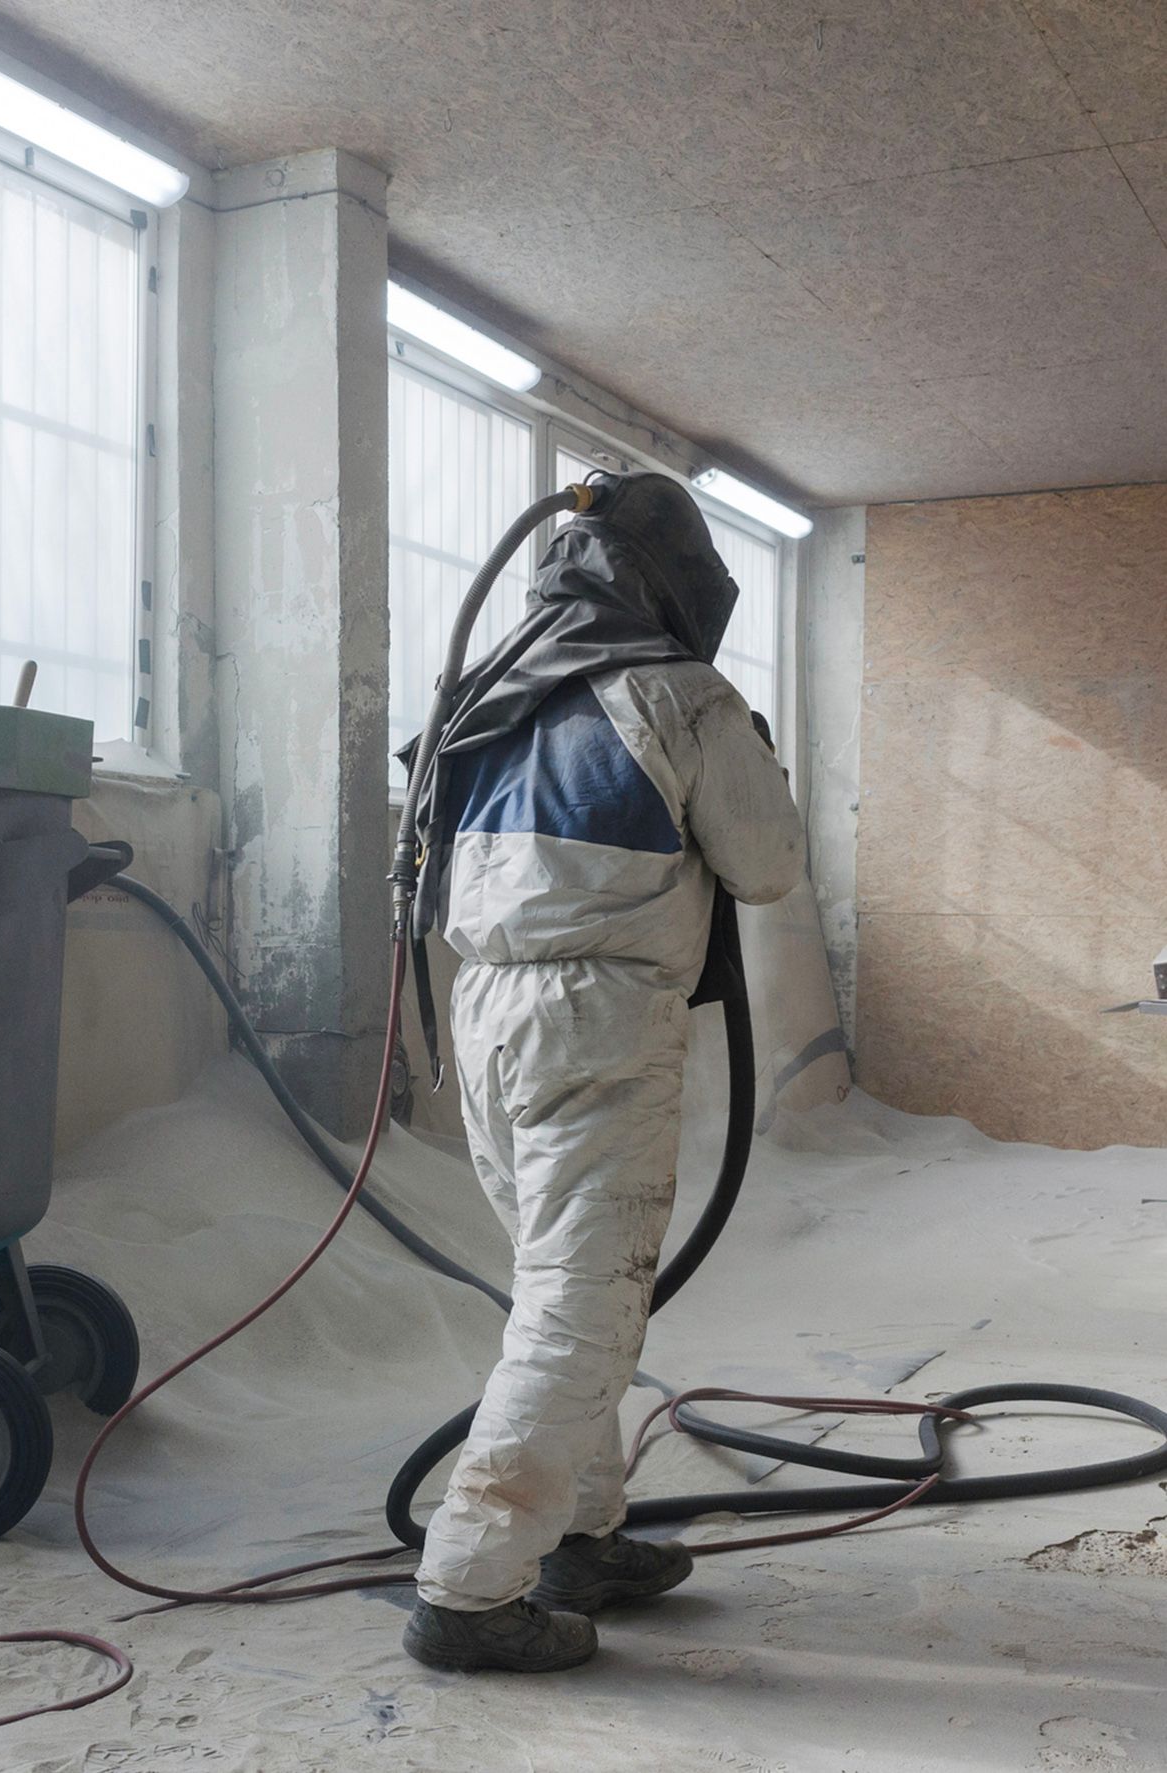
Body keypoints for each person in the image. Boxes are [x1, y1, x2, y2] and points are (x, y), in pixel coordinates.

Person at [399, 471, 803, 1674]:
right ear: (673, 583)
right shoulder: (678, 694)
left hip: (484, 1011)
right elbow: (767, 865)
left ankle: (579, 1532)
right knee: (581, 1308)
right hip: (598, 1015)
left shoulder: (489, 695)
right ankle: (469, 1589)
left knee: (563, 1292)